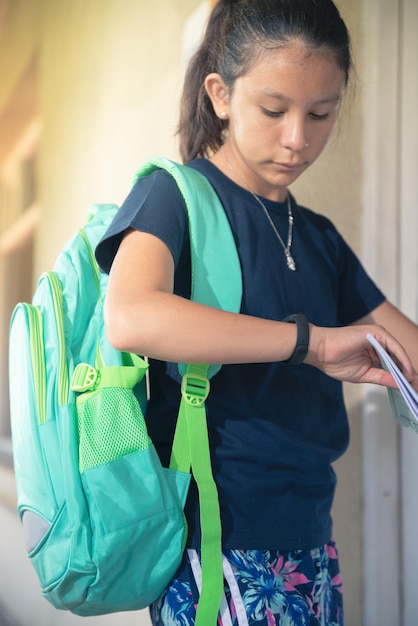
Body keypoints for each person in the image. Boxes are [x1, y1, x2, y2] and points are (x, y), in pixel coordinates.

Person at [95, 0, 418, 624]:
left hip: (312, 547)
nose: (298, 138)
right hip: (214, 546)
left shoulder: (319, 237)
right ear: (220, 94)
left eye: (321, 113)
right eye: (274, 110)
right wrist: (311, 344)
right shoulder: (174, 195)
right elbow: (131, 314)